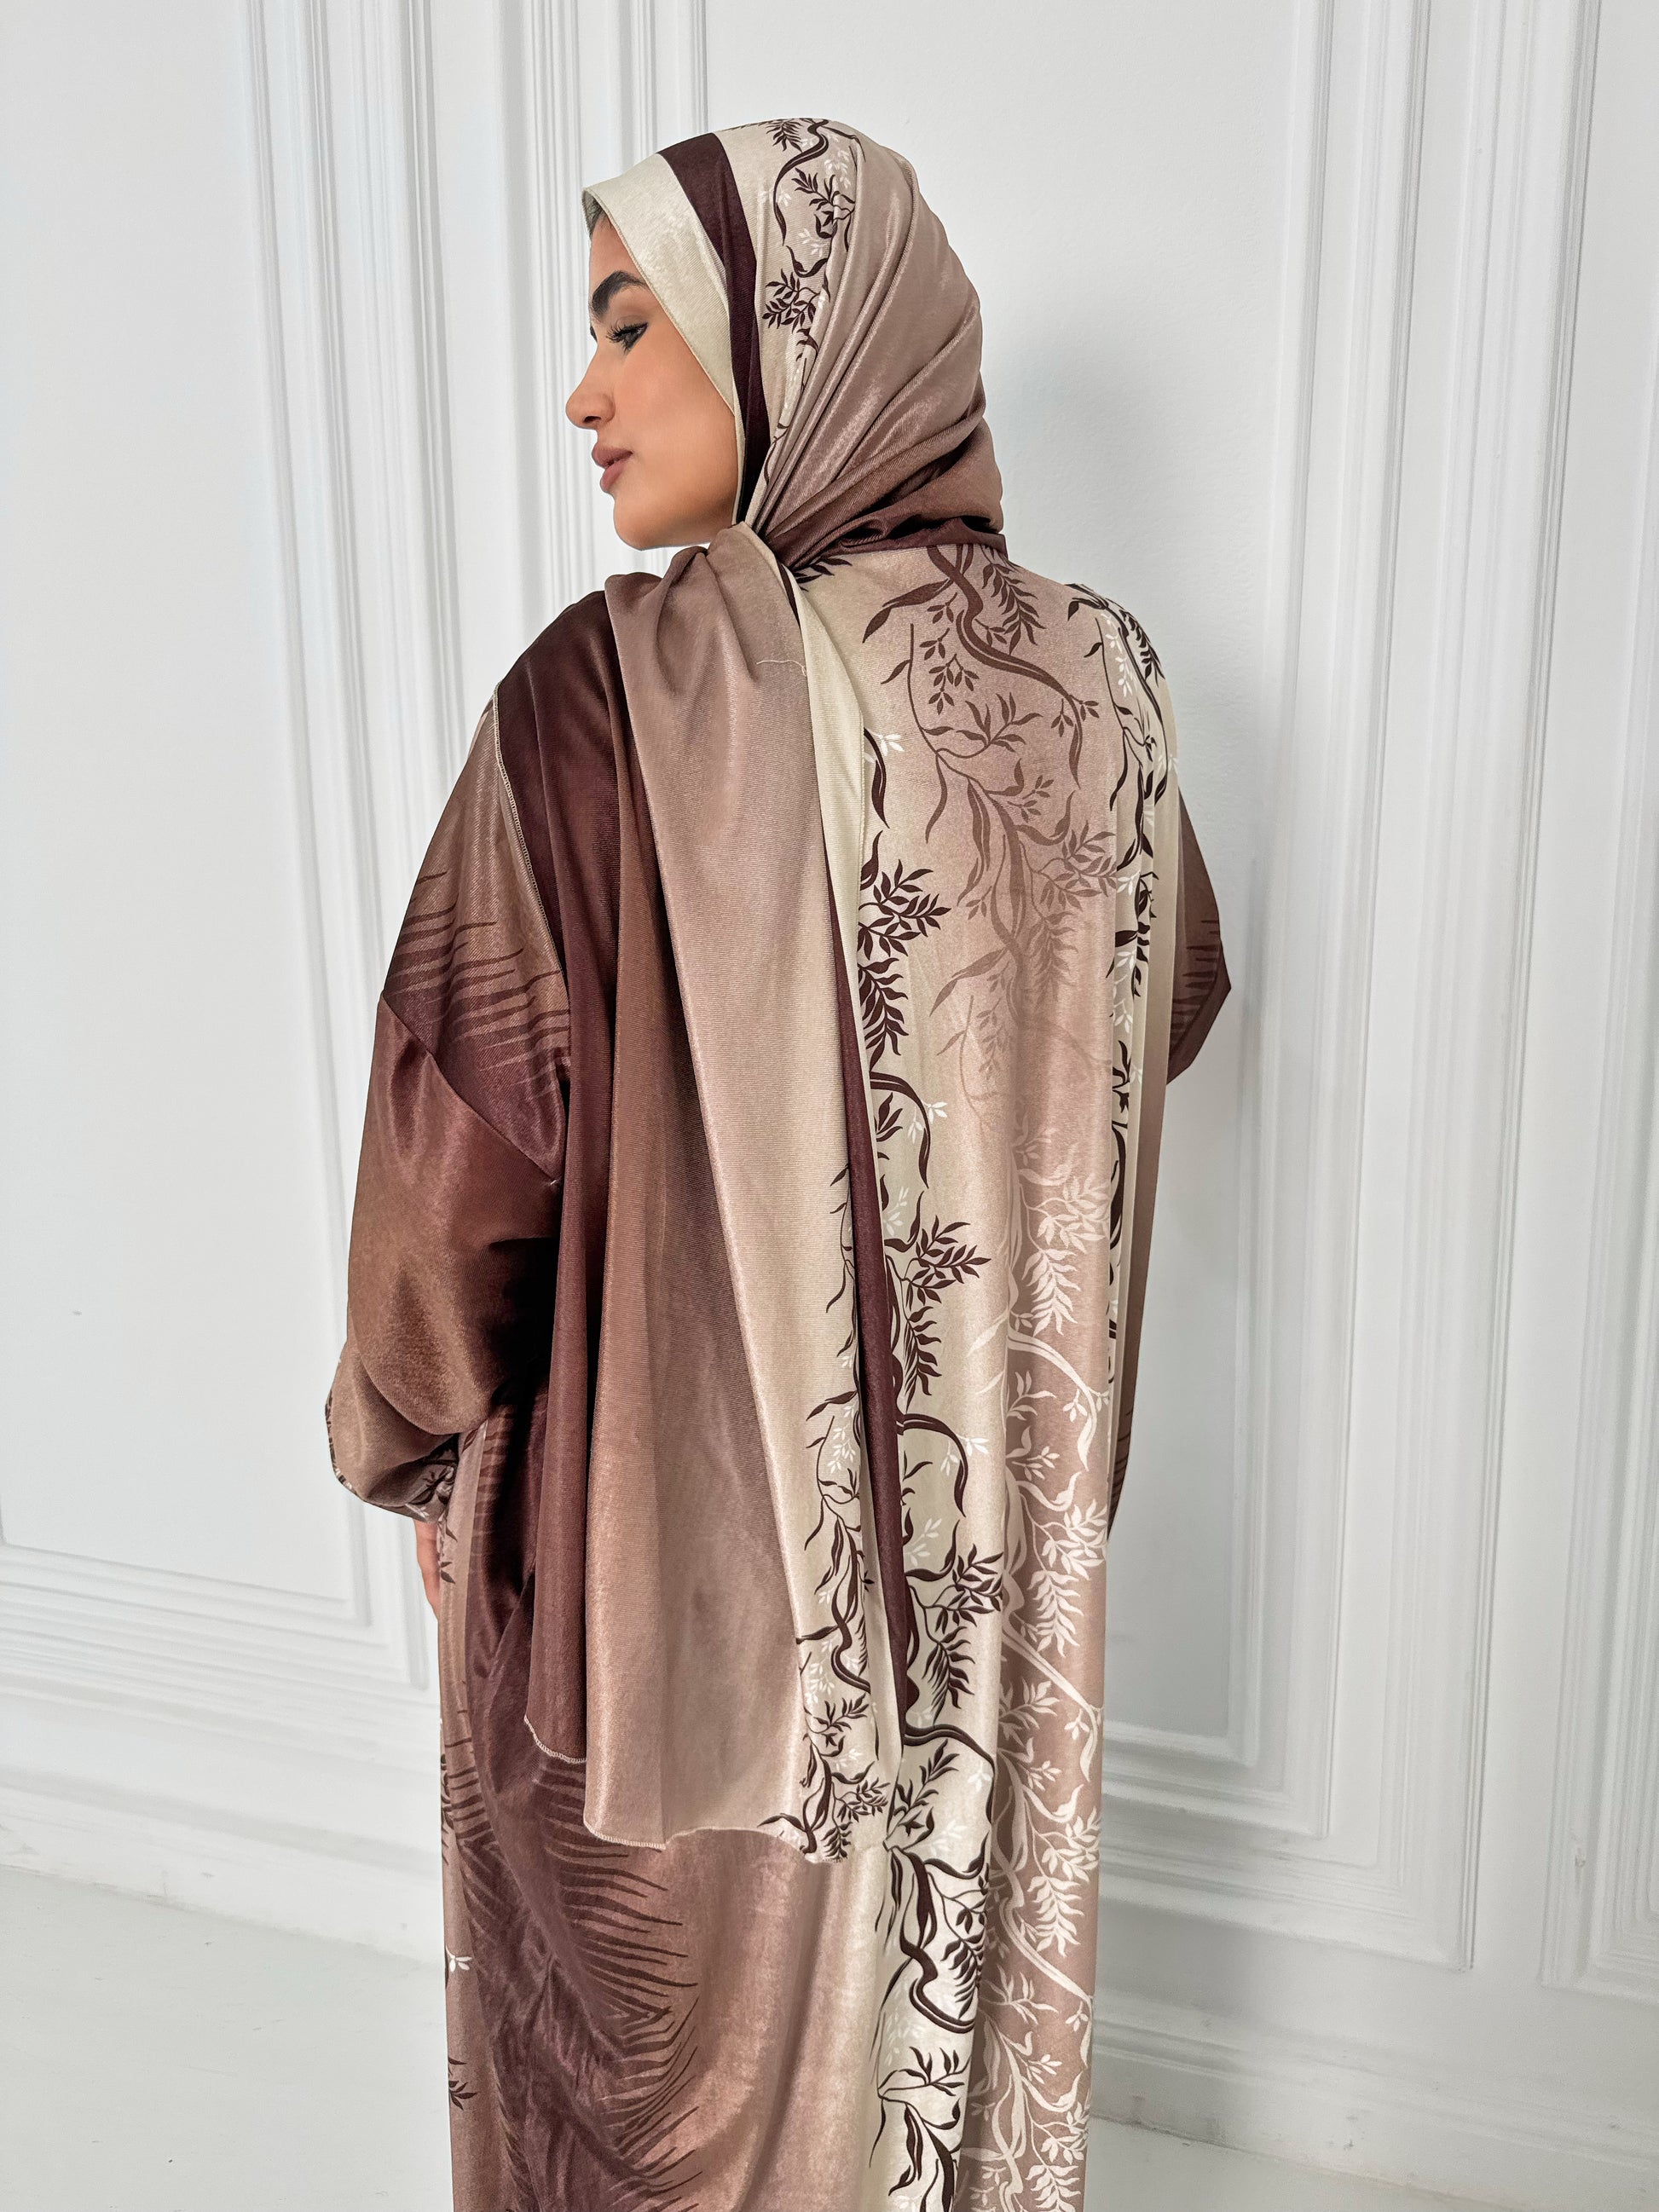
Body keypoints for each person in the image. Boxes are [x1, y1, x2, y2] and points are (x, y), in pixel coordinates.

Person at [325, 117, 1229, 2212]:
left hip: (667, 1574)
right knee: (929, 2045)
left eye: (629, 324)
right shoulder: (1105, 685)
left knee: (655, 2096)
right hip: (993, 1565)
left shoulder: (604, 702)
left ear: (794, 342)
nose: (584, 392)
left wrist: (409, 1437)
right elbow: (1159, 1002)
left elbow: (460, 1164)